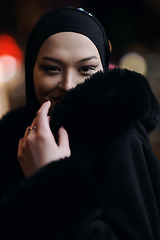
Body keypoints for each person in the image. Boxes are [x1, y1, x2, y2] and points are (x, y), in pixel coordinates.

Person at [0, 6, 160, 240]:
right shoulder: (11, 139)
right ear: (30, 70)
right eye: (52, 68)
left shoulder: (122, 138)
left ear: (104, 71)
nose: (67, 85)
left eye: (86, 69)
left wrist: (50, 177)